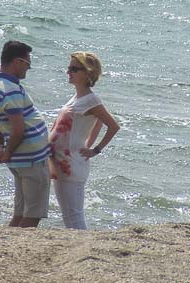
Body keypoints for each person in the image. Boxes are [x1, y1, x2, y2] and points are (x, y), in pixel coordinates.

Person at [49, 51, 120, 229]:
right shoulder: (78, 98)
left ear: (88, 73)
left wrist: (95, 150)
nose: (68, 72)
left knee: (73, 216)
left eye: (74, 69)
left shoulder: (91, 99)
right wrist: (88, 142)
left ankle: (83, 248)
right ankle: (79, 246)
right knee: (69, 214)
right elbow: (97, 122)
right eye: (68, 68)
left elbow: (112, 126)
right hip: (62, 163)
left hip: (71, 164)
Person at [0, 40, 51, 228]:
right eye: (28, 63)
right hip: (30, 159)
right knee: (33, 214)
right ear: (17, 62)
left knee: (21, 211)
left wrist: (1, 148)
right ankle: (20, 249)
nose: (28, 69)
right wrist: (7, 152)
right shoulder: (10, 90)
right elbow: (19, 130)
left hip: (19, 158)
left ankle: (7, 242)